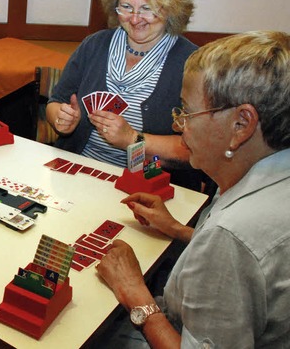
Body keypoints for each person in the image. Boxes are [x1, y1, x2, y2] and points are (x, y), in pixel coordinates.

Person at [96, 30, 290, 347]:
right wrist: (177, 228)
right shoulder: (258, 170)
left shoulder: (231, 235)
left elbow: (235, 248)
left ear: (241, 125)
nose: (177, 124)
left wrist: (134, 293)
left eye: (187, 111)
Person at [46, 0, 202, 190]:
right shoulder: (95, 45)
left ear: (171, 8)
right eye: (126, 7)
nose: (135, 18)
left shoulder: (192, 63)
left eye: (148, 9)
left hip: (148, 189)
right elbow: (55, 103)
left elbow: (197, 148)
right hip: (79, 173)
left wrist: (132, 138)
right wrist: (62, 119)